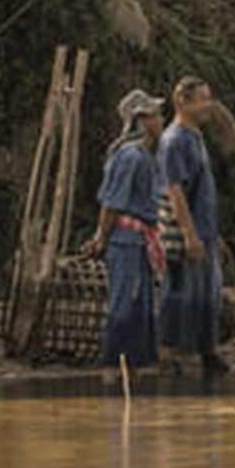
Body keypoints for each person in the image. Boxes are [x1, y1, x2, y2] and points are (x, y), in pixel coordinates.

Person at [81, 89, 166, 372]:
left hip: (140, 239)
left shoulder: (146, 155)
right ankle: (112, 364)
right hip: (126, 240)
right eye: (155, 115)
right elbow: (112, 202)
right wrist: (100, 237)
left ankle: (139, 363)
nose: (161, 121)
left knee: (141, 304)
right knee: (125, 302)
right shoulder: (130, 156)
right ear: (141, 121)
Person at [157, 75, 230, 375]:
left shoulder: (195, 137)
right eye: (201, 99)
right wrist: (189, 234)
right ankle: (168, 354)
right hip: (187, 232)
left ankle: (207, 352)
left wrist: (213, 234)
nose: (207, 105)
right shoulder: (174, 140)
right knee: (180, 293)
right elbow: (174, 190)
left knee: (207, 293)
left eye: (208, 97)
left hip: (205, 228)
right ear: (182, 102)